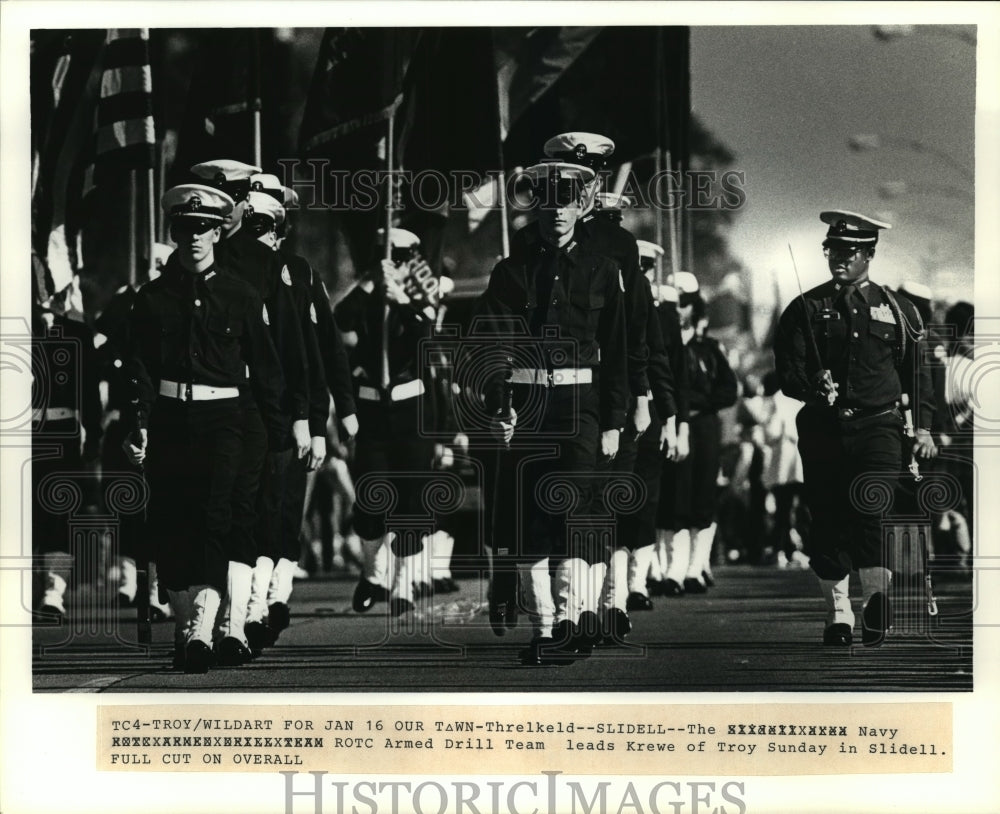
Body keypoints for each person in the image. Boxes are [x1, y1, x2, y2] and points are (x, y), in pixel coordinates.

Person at [123, 183, 284, 673]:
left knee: (216, 517)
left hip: (226, 421)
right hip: (172, 420)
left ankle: (203, 624)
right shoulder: (150, 299)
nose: (194, 236)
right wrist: (139, 422)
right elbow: (139, 369)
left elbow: (266, 367)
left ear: (219, 232)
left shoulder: (240, 294)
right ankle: (185, 624)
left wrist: (281, 431)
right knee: (173, 522)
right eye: (185, 227)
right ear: (173, 231)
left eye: (204, 228)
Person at [472, 160, 628, 665]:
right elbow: (487, 345)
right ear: (535, 204)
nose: (557, 210)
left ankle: (572, 617)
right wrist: (500, 403)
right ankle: (546, 626)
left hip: (582, 406)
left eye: (566, 200)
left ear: (581, 205)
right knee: (532, 518)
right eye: (547, 200)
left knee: (578, 513)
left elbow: (619, 351)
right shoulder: (511, 271)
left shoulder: (604, 270)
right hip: (528, 405)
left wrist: (614, 421)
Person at [774, 210, 937, 646]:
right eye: (833, 250)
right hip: (824, 430)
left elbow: (917, 376)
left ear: (869, 254)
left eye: (849, 252)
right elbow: (786, 373)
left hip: (879, 429)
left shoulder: (899, 311)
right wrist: (811, 385)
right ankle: (838, 614)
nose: (838, 259)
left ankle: (876, 602)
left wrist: (923, 429)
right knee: (827, 520)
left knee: (872, 510)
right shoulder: (805, 308)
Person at [189, 160, 311, 662]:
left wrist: (302, 417)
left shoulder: (266, 264)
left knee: (247, 518)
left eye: (231, 199)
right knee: (200, 517)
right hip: (192, 415)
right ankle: (199, 622)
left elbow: (294, 347)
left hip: (257, 412)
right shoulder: (185, 267)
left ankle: (238, 620)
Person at [333, 227, 440, 617]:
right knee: (371, 499)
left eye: (399, 257)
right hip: (372, 410)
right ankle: (372, 572)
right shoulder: (366, 294)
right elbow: (339, 320)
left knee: (411, 504)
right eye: (385, 255)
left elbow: (428, 338)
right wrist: (369, 285)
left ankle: (403, 583)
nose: (392, 263)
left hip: (410, 410)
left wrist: (405, 302)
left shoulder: (424, 293)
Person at [31, 257, 103, 623]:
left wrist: (94, 440)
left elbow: (89, 392)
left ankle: (53, 592)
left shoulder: (77, 334)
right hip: (23, 436)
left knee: (58, 514)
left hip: (61, 436)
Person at [659, 272, 737, 595]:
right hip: (671, 422)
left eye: (687, 304)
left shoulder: (707, 349)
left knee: (702, 494)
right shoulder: (662, 340)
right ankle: (672, 570)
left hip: (702, 425)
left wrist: (699, 404)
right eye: (676, 304)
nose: (681, 311)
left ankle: (695, 566)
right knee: (674, 495)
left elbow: (728, 390)